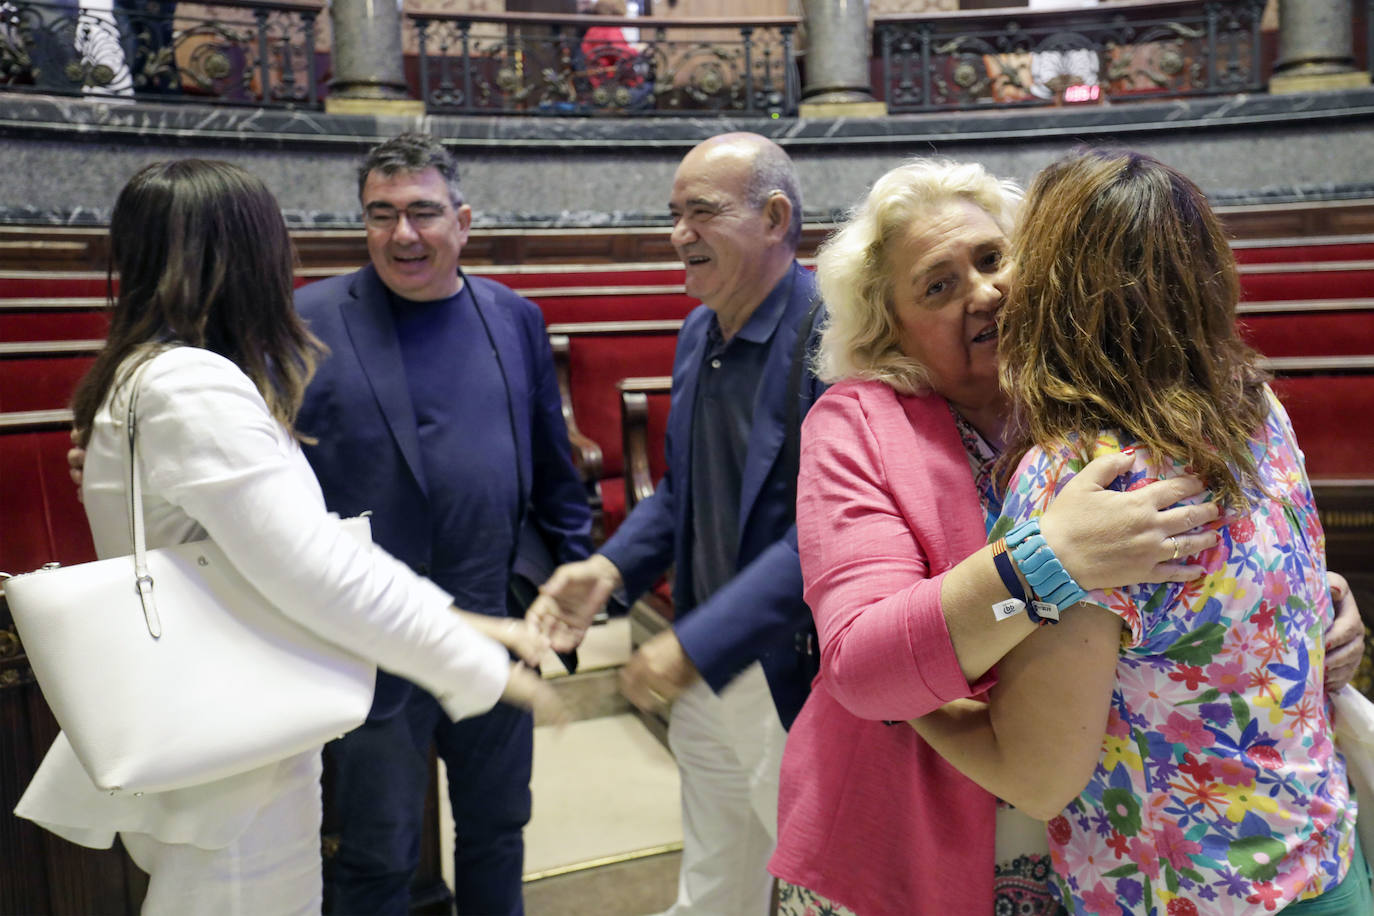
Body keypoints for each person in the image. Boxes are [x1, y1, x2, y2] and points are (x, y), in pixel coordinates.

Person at [768, 157, 1368, 916]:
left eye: (993, 259)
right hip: (918, 836)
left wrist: (1313, 606)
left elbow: (1218, 576)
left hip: (1110, 843)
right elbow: (859, 666)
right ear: (889, 329)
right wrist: (1046, 561)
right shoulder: (857, 426)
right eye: (938, 285)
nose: (984, 292)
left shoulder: (1104, 397)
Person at [15, 158, 560, 914]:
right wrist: (478, 656)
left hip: (231, 721)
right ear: (240, 256)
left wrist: (485, 615)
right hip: (236, 744)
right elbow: (314, 567)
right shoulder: (190, 386)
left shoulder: (160, 373)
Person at [293, 132, 593, 915]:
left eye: (423, 213)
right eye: (380, 214)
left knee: (498, 830)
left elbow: (555, 467)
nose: (403, 235)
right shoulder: (307, 319)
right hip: (372, 637)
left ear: (462, 220)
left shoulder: (514, 316)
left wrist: (569, 578)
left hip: (497, 616)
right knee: (374, 854)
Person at [531, 131, 824, 916]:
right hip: (704, 664)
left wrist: (692, 644)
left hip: (785, 673)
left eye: (702, 213)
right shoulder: (699, 329)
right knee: (718, 877)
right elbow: (679, 492)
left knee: (813, 888)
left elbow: (825, 537)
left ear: (773, 217)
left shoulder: (834, 337)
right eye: (673, 214)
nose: (678, 235)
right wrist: (612, 568)